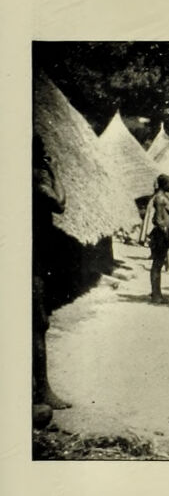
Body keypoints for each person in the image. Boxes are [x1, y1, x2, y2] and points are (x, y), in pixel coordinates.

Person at [32, 135, 71, 412]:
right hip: (29, 261)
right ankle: (42, 388)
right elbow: (60, 202)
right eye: (41, 150)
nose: (46, 153)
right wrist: (52, 170)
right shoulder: (35, 180)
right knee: (39, 323)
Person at [147, 174, 169, 303]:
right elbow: (159, 220)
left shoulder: (163, 196)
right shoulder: (160, 198)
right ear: (163, 184)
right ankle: (156, 295)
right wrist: (167, 236)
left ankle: (157, 293)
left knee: (158, 264)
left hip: (164, 234)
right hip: (161, 235)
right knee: (157, 264)